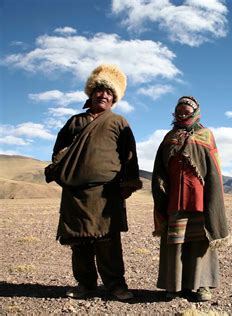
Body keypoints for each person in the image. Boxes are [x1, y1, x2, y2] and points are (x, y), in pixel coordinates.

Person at [47, 64, 142, 300]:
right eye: (99, 90)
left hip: (105, 193)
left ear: (114, 98)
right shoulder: (74, 122)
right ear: (90, 93)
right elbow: (58, 152)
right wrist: (62, 174)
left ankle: (115, 285)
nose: (104, 95)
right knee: (79, 242)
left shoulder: (119, 122)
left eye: (109, 93)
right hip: (75, 193)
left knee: (108, 241)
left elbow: (130, 155)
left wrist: (129, 182)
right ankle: (85, 284)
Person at [152, 96, 232, 302]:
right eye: (179, 110)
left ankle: (201, 286)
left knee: (199, 243)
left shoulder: (206, 135)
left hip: (200, 200)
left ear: (196, 112)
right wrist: (160, 193)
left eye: (187, 109)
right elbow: (159, 169)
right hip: (174, 200)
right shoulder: (169, 137)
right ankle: (175, 286)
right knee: (175, 243)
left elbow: (214, 170)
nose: (182, 112)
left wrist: (213, 200)